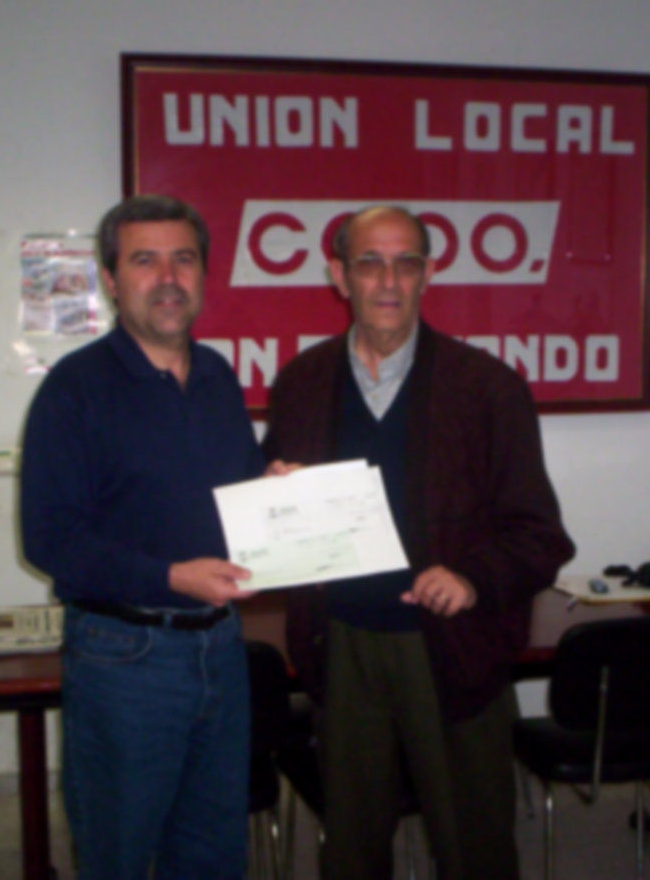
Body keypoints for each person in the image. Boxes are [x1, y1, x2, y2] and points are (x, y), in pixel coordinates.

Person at [263, 205, 576, 880]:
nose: (387, 280)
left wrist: (472, 576)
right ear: (338, 275)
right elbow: (277, 517)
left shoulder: (488, 387)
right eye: (369, 262)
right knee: (352, 847)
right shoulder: (301, 383)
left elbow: (541, 534)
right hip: (339, 645)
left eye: (405, 262)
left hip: (455, 648)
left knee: (475, 845)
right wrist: (274, 494)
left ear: (428, 274)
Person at [21, 195, 279, 879]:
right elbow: (49, 538)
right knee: (120, 854)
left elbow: (228, 495)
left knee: (214, 850)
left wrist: (274, 489)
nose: (168, 276)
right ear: (110, 278)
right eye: (145, 259)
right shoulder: (74, 390)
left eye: (183, 258)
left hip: (221, 647)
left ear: (202, 274)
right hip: (124, 658)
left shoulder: (219, 375)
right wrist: (170, 576)